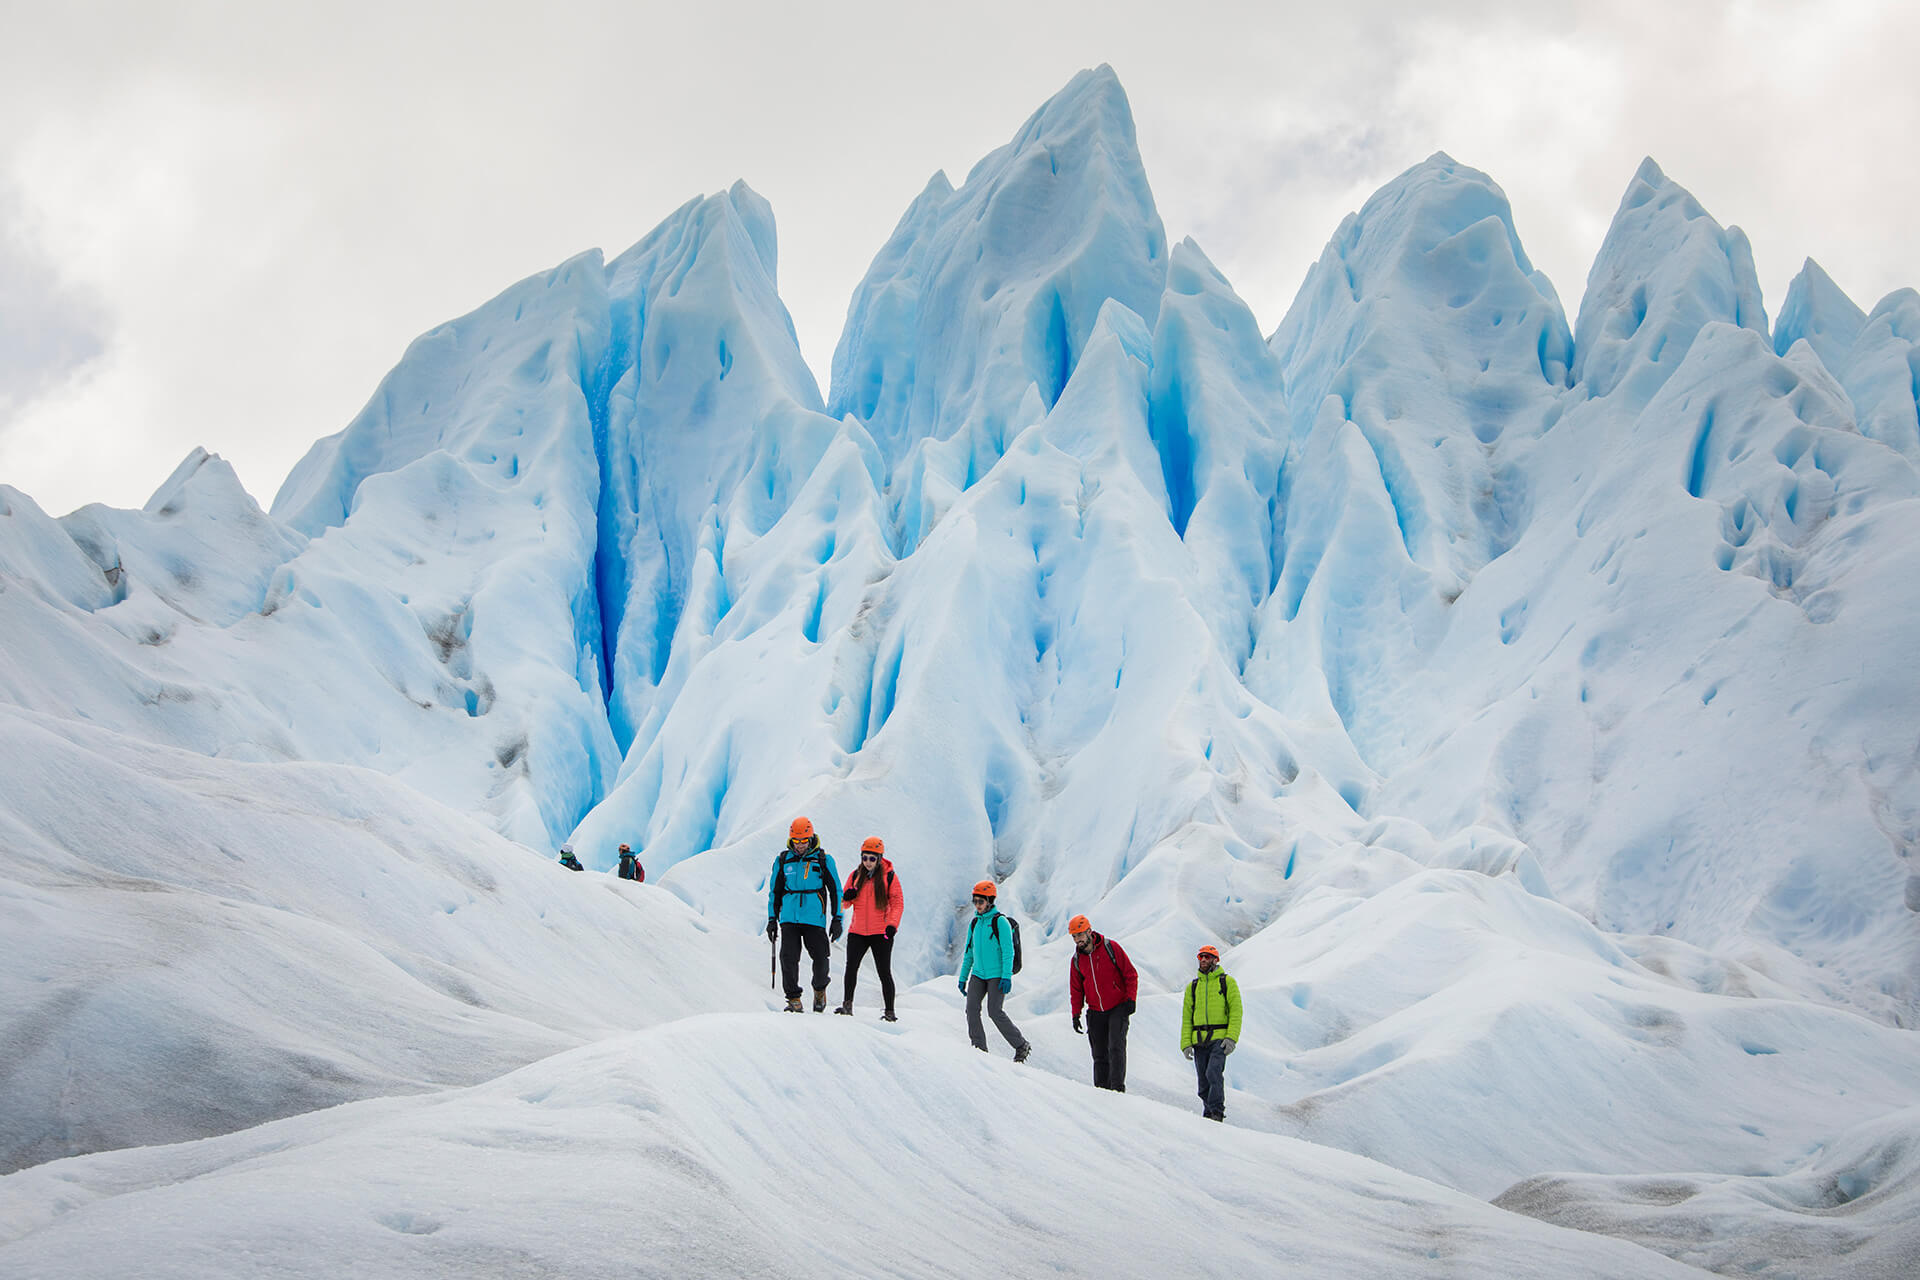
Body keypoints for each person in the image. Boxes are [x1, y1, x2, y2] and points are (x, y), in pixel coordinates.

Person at [766, 817, 843, 1013]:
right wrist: (772, 919)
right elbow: (775, 891)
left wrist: (837, 918)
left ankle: (819, 989)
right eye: (796, 841)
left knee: (820, 958)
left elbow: (836, 891)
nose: (800, 845)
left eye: (804, 841)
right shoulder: (783, 860)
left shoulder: (823, 860)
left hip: (814, 918)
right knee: (788, 958)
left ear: (811, 838)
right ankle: (793, 999)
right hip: (789, 918)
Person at [957, 880, 1030, 1061]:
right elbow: (969, 953)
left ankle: (1021, 1045)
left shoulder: (1000, 922)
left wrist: (1006, 977)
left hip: (996, 976)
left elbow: (1008, 952)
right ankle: (979, 1050)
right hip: (978, 974)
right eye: (975, 901)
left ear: (990, 901)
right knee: (971, 1010)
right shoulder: (975, 924)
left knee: (995, 1012)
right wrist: (963, 977)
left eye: (980, 901)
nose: (977, 905)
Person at [1068, 914, 1138, 1091]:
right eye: (1074, 936)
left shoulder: (1111, 948)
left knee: (1115, 1047)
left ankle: (1117, 1089)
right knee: (1099, 1054)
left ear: (1089, 932)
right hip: (1095, 1011)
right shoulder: (1077, 960)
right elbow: (1076, 989)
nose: (1077, 940)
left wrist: (1131, 999)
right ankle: (1101, 1091)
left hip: (1118, 1007)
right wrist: (1076, 1014)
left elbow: (1130, 974)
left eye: (1080, 935)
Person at [837, 836, 904, 1020]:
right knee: (851, 969)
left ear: (880, 858)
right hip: (857, 931)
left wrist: (892, 925)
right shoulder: (856, 876)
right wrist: (847, 896)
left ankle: (890, 1012)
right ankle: (847, 1005)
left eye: (872, 858)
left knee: (884, 972)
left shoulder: (889, 877)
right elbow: (843, 904)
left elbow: (897, 903)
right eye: (865, 857)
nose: (868, 862)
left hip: (881, 932)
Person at [1181, 944, 1242, 1122]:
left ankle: (1216, 1112)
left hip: (1219, 1039)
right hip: (1199, 1039)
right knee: (1202, 1083)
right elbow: (1187, 1017)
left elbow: (1236, 1011)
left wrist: (1231, 1037)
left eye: (1208, 957)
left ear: (1216, 960)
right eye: (1201, 957)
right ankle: (1208, 1113)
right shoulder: (1193, 987)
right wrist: (1185, 1043)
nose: (1204, 960)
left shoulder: (1227, 982)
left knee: (1213, 1072)